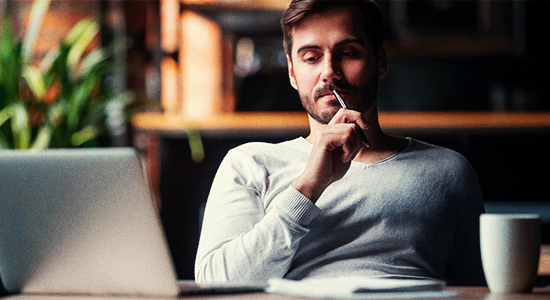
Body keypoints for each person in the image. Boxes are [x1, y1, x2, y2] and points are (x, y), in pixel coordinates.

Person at [195, 0, 485, 286]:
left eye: (347, 53)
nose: (329, 72)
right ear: (292, 72)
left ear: (380, 61)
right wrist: (308, 186)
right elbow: (217, 283)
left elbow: (479, 290)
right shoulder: (249, 164)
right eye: (311, 57)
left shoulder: (449, 171)